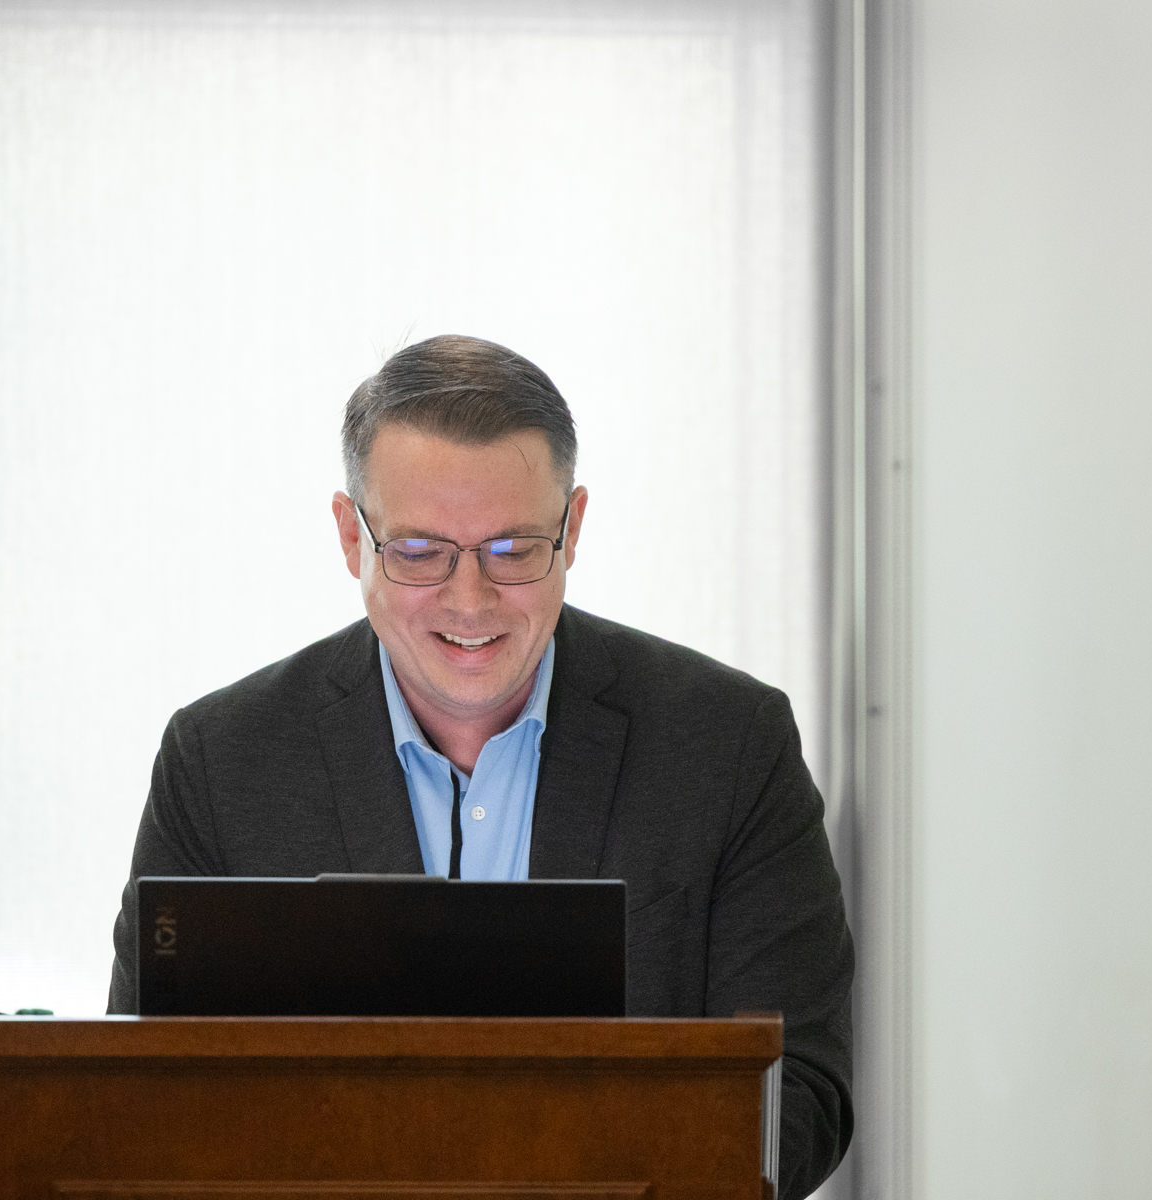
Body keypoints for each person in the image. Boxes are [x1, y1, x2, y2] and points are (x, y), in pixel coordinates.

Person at [107, 334, 853, 1200]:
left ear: (573, 529)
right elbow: (139, 1095)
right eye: (420, 551)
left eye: (513, 549)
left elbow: (802, 1094)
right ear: (352, 537)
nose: (470, 601)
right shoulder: (220, 761)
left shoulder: (729, 744)